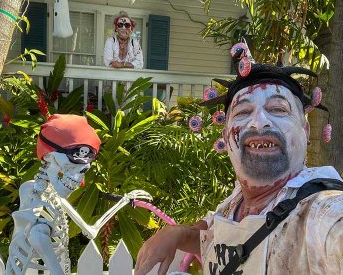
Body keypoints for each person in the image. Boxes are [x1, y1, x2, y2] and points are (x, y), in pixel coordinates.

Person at [135, 42, 343, 275]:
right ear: (226, 135)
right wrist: (178, 233)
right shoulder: (236, 204)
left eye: (278, 109)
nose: (259, 122)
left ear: (305, 131)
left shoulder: (321, 213)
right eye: (243, 112)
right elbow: (215, 234)